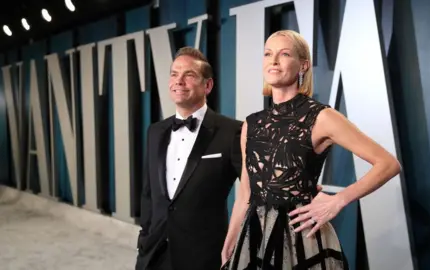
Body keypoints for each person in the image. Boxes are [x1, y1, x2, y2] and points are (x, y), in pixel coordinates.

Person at [220, 30, 401, 269]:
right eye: (267, 54)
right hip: (254, 240)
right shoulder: (251, 124)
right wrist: (231, 238)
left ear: (303, 65)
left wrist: (338, 200)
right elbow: (245, 193)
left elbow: (388, 164)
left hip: (301, 241)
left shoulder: (321, 117)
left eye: (284, 54)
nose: (273, 61)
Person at [135, 47, 243, 270]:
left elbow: (254, 191)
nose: (179, 81)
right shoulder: (155, 131)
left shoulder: (232, 131)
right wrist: (144, 240)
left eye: (189, 75)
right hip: (154, 255)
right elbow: (149, 194)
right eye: (174, 74)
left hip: (205, 257)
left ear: (208, 85)